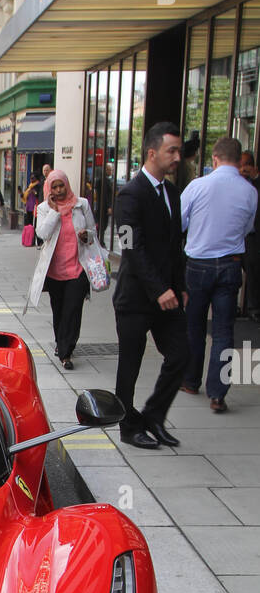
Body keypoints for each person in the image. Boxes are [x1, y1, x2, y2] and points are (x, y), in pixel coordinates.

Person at [111, 121, 189, 449]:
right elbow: (132, 247)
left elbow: (176, 246)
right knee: (130, 364)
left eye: (179, 151)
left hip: (168, 296)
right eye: (171, 150)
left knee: (182, 355)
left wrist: (179, 285)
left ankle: (154, 415)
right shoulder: (130, 194)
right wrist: (159, 289)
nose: (177, 157)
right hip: (135, 298)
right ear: (152, 152)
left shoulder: (172, 192)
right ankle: (129, 427)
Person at [181, 136, 258, 411]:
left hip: (198, 264)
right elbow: (248, 228)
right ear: (239, 161)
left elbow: (178, 222)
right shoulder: (250, 192)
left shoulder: (197, 186)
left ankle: (190, 380)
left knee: (194, 326)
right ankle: (217, 394)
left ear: (214, 159)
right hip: (230, 264)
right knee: (224, 331)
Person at [27, 170, 96, 369]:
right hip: (55, 270)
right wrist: (55, 210)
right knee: (59, 311)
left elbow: (93, 233)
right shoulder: (43, 208)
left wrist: (87, 236)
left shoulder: (81, 204)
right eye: (54, 187)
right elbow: (42, 234)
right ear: (49, 188)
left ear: (67, 184)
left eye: (61, 186)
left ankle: (66, 352)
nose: (58, 190)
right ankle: (61, 343)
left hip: (78, 267)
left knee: (72, 311)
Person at [239, 150, 260, 321]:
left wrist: (256, 177)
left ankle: (252, 306)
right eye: (240, 165)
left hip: (251, 235)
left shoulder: (255, 184)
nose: (243, 169)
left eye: (246, 165)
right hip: (234, 234)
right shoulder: (234, 183)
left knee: (252, 268)